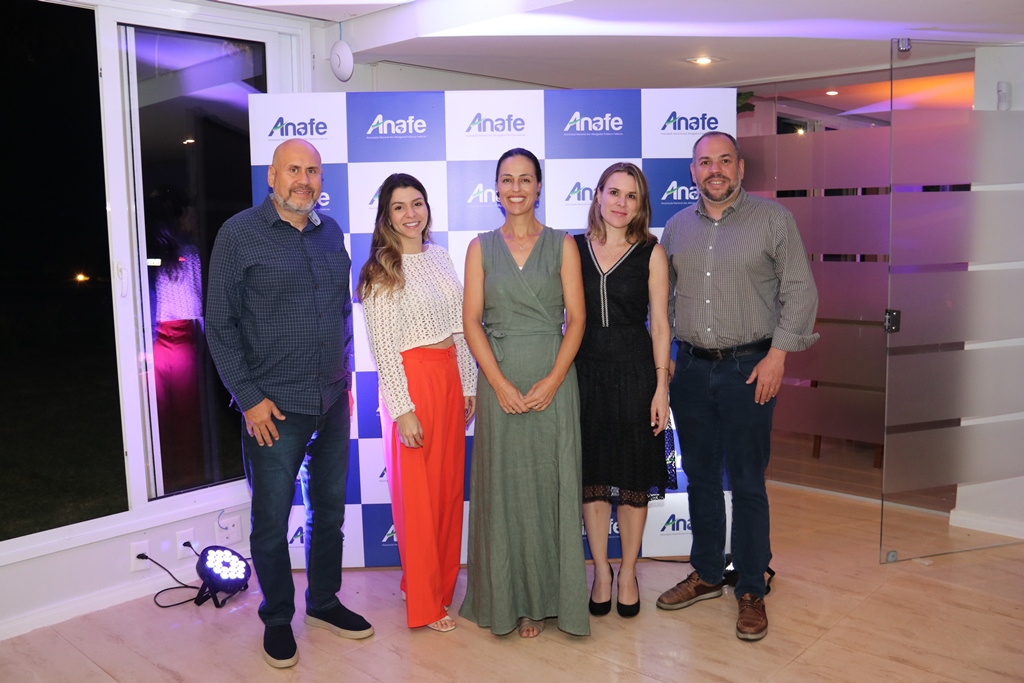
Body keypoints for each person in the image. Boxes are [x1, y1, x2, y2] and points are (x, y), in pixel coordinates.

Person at [206, 138, 372, 669]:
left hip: (331, 398)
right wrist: (249, 398)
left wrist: (344, 375)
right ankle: (278, 619)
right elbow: (219, 325)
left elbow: (340, 313)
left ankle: (323, 603)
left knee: (330, 512)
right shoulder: (239, 234)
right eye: (293, 169)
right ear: (272, 177)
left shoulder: (331, 233)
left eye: (313, 171)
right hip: (272, 409)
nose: (304, 180)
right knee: (271, 521)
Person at [656, 131, 819, 641]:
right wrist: (666, 365)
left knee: (747, 482)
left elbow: (800, 291)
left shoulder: (774, 220)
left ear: (741, 168)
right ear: (693, 171)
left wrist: (778, 356)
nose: (715, 170)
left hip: (751, 369)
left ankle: (750, 586)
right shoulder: (676, 228)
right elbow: (665, 303)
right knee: (701, 478)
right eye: (705, 162)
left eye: (724, 160)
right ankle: (707, 572)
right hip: (690, 369)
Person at [459, 148, 589, 638]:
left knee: (550, 488)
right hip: (500, 381)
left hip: (554, 380)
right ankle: (508, 601)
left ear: (538, 187)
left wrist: (554, 379)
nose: (516, 188)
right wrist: (498, 383)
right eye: (507, 180)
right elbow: (471, 322)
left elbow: (577, 319)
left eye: (525, 179)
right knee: (506, 490)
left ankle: (545, 603)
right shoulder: (479, 248)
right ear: (496, 189)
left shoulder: (562, 244)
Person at [356, 173, 477, 634]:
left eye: (418, 203)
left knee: (447, 491)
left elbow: (460, 326)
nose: (411, 214)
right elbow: (384, 350)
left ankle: (432, 585)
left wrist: (468, 383)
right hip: (413, 383)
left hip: (449, 379)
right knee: (418, 499)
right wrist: (402, 408)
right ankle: (426, 605)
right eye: (400, 206)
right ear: (386, 216)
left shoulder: (440, 257)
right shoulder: (380, 271)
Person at [574, 162, 674, 619]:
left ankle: (628, 572)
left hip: (636, 374)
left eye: (631, 196)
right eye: (614, 192)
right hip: (585, 374)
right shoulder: (572, 248)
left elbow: (661, 324)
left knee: (633, 481)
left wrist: (661, 386)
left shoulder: (652, 252)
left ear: (641, 205)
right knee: (592, 481)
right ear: (598, 195)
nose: (621, 203)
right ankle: (601, 571)